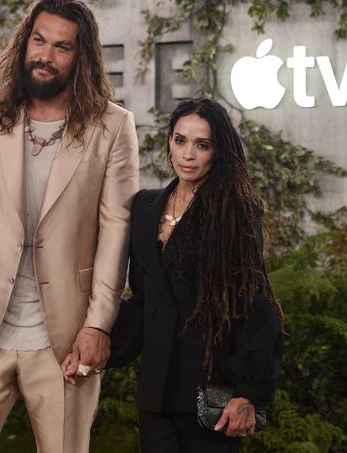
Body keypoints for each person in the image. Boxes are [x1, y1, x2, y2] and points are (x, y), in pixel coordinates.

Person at [0, 0, 139, 453]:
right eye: (38, 41)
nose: (45, 55)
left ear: (81, 58)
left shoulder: (113, 127)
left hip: (65, 340)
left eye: (62, 47)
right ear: (24, 43)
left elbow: (117, 233)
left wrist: (99, 324)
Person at [103, 98, 283, 453]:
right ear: (169, 141)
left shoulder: (235, 211)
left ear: (219, 151)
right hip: (156, 393)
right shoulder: (144, 207)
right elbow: (143, 301)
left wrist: (248, 392)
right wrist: (99, 345)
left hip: (210, 395)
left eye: (202, 145)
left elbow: (254, 302)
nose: (188, 154)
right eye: (180, 140)